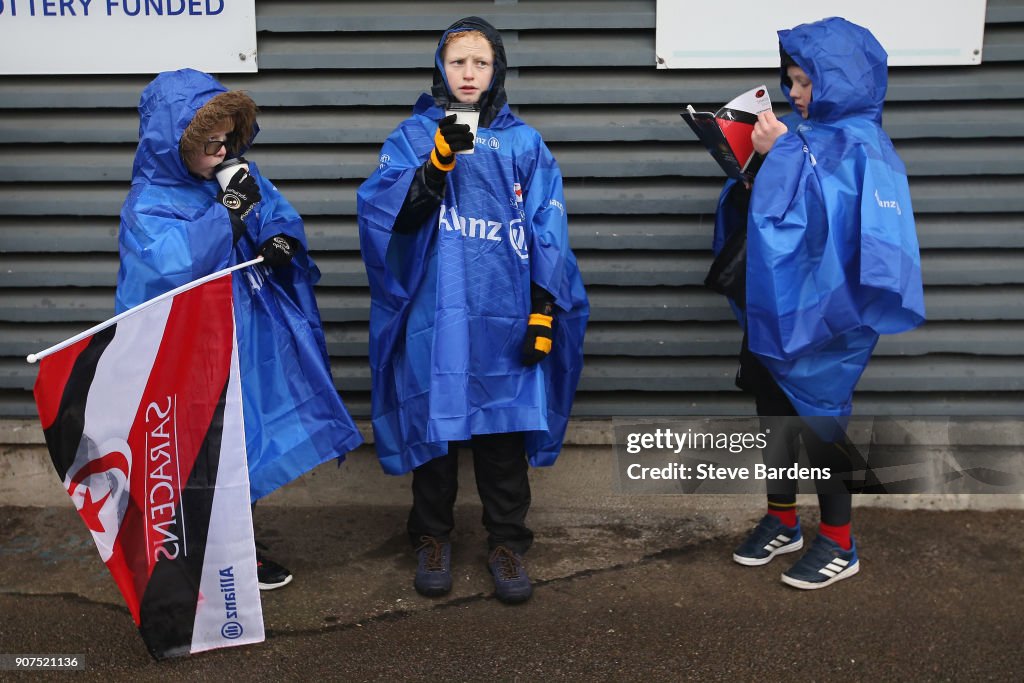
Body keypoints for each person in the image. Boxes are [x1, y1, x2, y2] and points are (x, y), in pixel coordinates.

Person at [357, 17, 589, 604]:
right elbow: (386, 221)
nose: (468, 73)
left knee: (502, 437)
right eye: (458, 61)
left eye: (480, 63)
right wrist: (434, 166)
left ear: (496, 70)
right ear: (441, 66)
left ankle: (507, 544)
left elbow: (548, 229)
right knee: (436, 434)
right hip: (436, 318)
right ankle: (432, 538)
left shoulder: (524, 143)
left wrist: (543, 307)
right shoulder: (412, 136)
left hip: (506, 319)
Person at [115, 69, 363, 590]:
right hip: (190, 352)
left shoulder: (234, 175)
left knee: (242, 443)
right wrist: (227, 217)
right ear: (174, 143)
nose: (222, 152)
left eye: (227, 140)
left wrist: (279, 240)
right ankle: (201, 559)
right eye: (209, 143)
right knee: (197, 451)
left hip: (245, 339)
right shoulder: (148, 203)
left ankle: (232, 547)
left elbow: (276, 214)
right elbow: (166, 267)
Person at [711, 18, 925, 589]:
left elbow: (844, 224)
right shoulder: (804, 137)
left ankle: (839, 541)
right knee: (773, 412)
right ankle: (783, 521)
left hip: (828, 311)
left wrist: (779, 156)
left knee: (820, 422)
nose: (796, 92)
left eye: (806, 80)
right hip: (777, 302)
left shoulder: (864, 145)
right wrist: (755, 167)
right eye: (791, 79)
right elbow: (779, 218)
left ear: (842, 79)